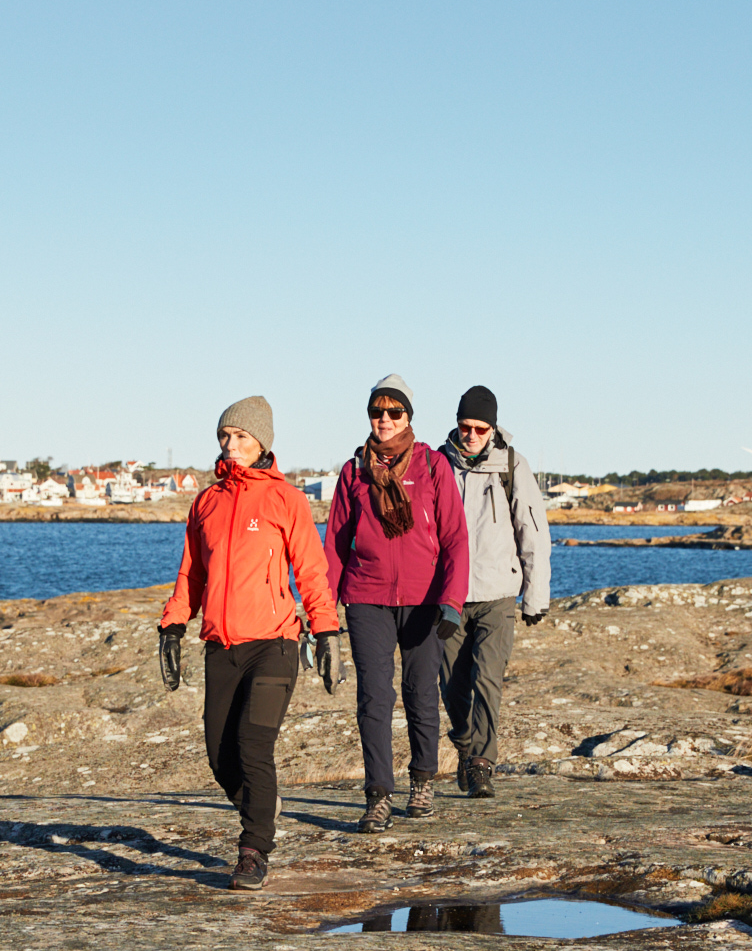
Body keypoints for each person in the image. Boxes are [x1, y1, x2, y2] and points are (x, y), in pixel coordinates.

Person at [160, 395, 342, 889]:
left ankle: (253, 850)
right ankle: (264, 805)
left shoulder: (286, 499)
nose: (230, 444)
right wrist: (173, 626)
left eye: (240, 436)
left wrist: (326, 632)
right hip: (221, 646)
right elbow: (191, 572)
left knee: (253, 743)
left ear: (261, 440)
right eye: (225, 436)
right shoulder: (207, 502)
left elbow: (311, 571)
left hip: (275, 645)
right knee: (220, 756)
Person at [322, 372, 467, 833]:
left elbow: (455, 540)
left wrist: (452, 600)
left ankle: (422, 781)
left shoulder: (432, 467)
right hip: (366, 597)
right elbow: (334, 547)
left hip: (424, 601)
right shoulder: (353, 472)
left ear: (408, 417)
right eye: (376, 412)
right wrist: (322, 612)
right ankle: (378, 796)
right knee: (374, 697)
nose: (384, 420)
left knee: (422, 692)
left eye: (393, 412)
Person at [437, 384, 550, 798]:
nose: (471, 435)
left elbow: (534, 533)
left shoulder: (513, 467)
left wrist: (536, 597)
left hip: (498, 593)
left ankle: (483, 762)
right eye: (465, 426)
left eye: (480, 428)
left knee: (488, 678)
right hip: (447, 598)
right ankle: (466, 747)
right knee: (451, 686)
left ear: (493, 428)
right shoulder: (437, 464)